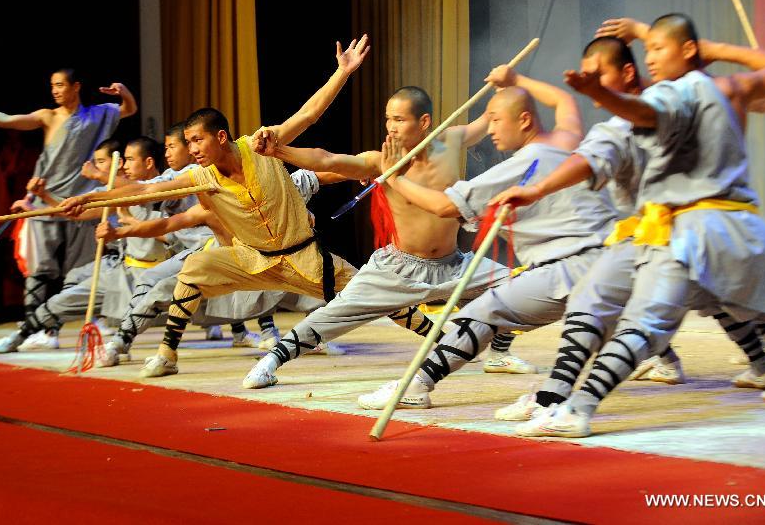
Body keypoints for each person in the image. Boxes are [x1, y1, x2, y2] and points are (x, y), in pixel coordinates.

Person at [488, 34, 765, 426]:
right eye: (647, 49)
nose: (652, 57)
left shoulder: (678, 100)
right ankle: (559, 397)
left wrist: (537, 188)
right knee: (623, 302)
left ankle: (573, 406)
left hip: (686, 233)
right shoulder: (673, 102)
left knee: (684, 310)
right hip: (655, 232)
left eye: (657, 49)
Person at [61, 35, 369, 377]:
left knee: (369, 291)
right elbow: (142, 192)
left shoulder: (261, 147)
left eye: (197, 140)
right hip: (248, 259)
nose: (191, 148)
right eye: (188, 142)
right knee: (192, 270)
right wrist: (86, 197)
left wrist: (342, 74)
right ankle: (166, 354)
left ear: (220, 137)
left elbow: (310, 120)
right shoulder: (200, 177)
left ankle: (434, 343)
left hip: (303, 257)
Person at [353, 68, 622, 409]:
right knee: (604, 325)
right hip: (612, 261)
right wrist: (517, 79)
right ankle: (552, 398)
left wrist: (391, 177)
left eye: (495, 120)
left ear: (524, 121)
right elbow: (564, 99)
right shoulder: (565, 140)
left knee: (484, 313)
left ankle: (417, 385)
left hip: (567, 268)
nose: (489, 129)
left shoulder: (519, 166)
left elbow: (444, 205)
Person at [243, 84, 528, 390]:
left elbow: (488, 119)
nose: (391, 127)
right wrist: (278, 151)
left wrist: (505, 86)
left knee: (519, 289)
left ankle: (498, 354)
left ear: (425, 121)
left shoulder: (453, 140)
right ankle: (271, 361)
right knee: (336, 313)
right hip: (399, 269)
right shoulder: (381, 160)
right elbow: (327, 160)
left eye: (399, 119)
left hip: (454, 265)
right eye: (388, 119)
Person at [0, 69, 136, 325]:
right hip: (44, 200)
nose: (55, 90)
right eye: (53, 86)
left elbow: (128, 109)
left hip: (81, 203)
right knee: (40, 267)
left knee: (80, 267)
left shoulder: (97, 114)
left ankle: (85, 319)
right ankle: (34, 324)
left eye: (60, 85)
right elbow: (7, 120)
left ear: (76, 87)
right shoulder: (48, 117)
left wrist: (123, 92)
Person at [0, 136, 164, 353]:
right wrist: (40, 203)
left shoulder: (165, 186)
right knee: (65, 297)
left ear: (148, 162)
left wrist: (125, 224)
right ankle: (23, 335)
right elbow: (78, 211)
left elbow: (145, 191)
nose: (125, 166)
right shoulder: (114, 192)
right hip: (122, 267)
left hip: (154, 273)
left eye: (130, 160)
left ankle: (119, 341)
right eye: (124, 160)